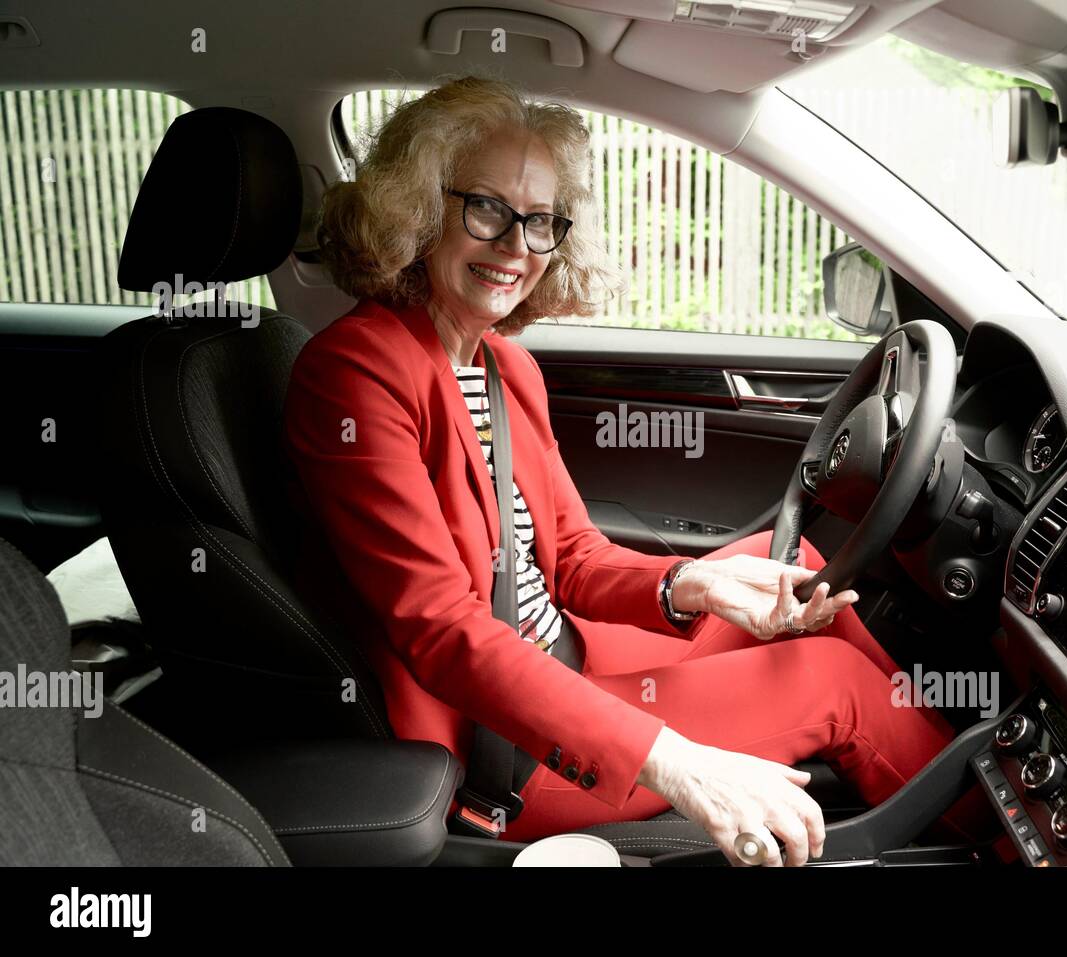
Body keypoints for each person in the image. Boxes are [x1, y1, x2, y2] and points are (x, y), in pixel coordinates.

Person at [282, 74, 992, 866]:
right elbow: (445, 631)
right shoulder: (353, 372)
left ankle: (941, 771)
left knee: (790, 566)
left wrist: (689, 586)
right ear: (417, 207)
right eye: (486, 208)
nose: (518, 245)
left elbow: (575, 558)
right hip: (500, 745)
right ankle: (1006, 830)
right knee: (835, 685)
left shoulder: (503, 366)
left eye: (542, 221)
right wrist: (678, 761)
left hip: (570, 654)